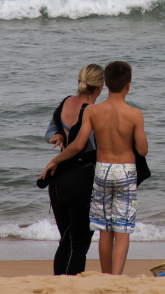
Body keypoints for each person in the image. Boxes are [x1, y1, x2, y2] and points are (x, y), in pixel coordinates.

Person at [41, 61, 148, 275]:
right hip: (118, 173)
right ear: (128, 85)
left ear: (106, 85)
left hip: (93, 174)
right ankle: (114, 278)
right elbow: (142, 150)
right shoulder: (134, 114)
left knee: (101, 231)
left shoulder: (87, 110)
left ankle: (104, 275)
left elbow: (75, 142)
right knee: (120, 231)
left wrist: (56, 159)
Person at [43, 63, 105, 275]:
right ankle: (71, 286)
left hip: (58, 181)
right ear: (100, 87)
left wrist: (59, 136)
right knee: (79, 244)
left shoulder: (66, 102)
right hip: (81, 179)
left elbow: (50, 132)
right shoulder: (94, 111)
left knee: (66, 240)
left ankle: (58, 283)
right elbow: (90, 145)